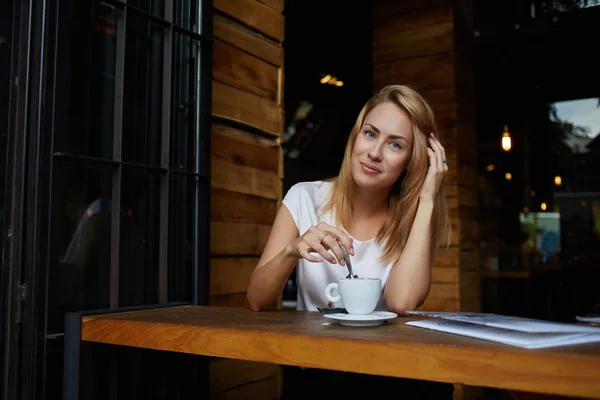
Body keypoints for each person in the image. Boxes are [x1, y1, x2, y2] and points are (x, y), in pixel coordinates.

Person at [246, 85, 454, 398]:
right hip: (315, 374)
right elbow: (257, 299)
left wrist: (427, 199)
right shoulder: (306, 197)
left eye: (395, 145)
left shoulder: (412, 219)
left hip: (386, 374)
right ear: (355, 137)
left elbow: (401, 303)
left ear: (412, 161)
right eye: (370, 134)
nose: (374, 152)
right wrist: (292, 250)